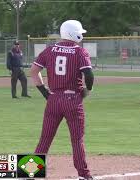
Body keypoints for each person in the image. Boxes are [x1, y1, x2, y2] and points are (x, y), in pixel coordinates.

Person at [30, 20, 95, 180]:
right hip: (73, 99)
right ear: (75, 33)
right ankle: (84, 175)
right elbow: (89, 75)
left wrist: (44, 92)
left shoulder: (49, 50)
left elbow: (34, 71)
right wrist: (88, 90)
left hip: (53, 99)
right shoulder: (80, 52)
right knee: (77, 140)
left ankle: (30, 173)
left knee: (44, 139)